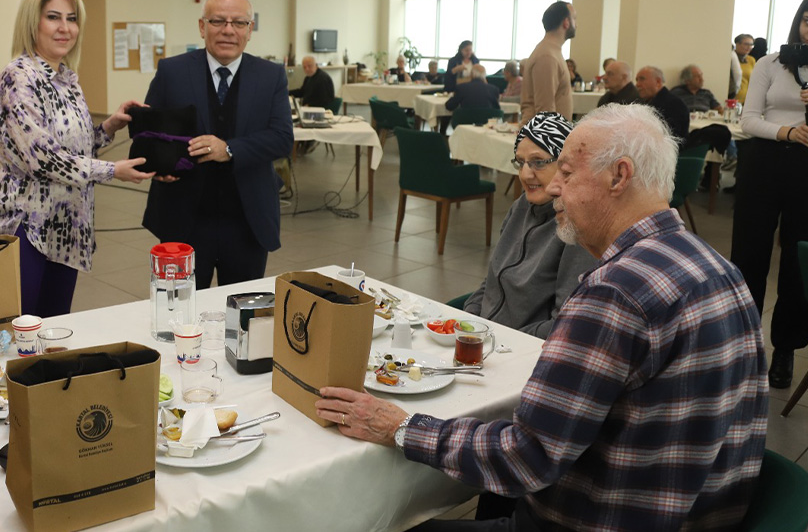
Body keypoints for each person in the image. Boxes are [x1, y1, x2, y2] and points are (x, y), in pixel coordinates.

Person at [316, 104, 768, 531]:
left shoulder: (615, 292)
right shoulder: (718, 268)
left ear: (619, 176)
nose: (552, 186)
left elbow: (525, 459)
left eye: (566, 173)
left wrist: (399, 426)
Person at [0, 0, 153, 317]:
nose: (65, 28)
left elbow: (73, 147)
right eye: (53, 17)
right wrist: (113, 171)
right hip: (25, 228)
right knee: (21, 331)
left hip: (66, 226)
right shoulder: (18, 78)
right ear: (33, 22)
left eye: (71, 19)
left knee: (54, 329)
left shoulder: (65, 79)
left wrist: (108, 128)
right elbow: (43, 158)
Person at [142, 0, 294, 289]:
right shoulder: (172, 71)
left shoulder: (270, 76)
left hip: (247, 220)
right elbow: (149, 134)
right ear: (202, 27)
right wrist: (158, 165)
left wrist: (229, 149)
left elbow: (281, 139)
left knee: (241, 315)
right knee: (177, 313)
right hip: (183, 218)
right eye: (218, 21)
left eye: (238, 22)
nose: (228, 30)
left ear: (250, 30)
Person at [461, 112, 596, 338]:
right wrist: (470, 320)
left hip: (523, 350)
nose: (525, 174)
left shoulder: (576, 226)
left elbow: (564, 322)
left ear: (565, 164)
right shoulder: (521, 207)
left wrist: (500, 338)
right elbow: (492, 280)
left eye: (538, 162)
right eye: (520, 162)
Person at [731, 0, 808, 389]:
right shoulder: (770, 63)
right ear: (798, 23)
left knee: (797, 258)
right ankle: (743, 345)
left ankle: (785, 349)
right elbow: (748, 120)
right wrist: (787, 130)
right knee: (749, 254)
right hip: (764, 161)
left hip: (806, 169)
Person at [521, 1, 576, 121]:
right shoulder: (547, 56)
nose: (576, 24)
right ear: (566, 22)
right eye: (574, 18)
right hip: (543, 136)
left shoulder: (552, 51)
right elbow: (545, 110)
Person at [635, 65, 689, 142]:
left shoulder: (673, 104)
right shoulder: (648, 101)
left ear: (658, 82)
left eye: (642, 79)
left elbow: (672, 139)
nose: (637, 84)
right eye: (637, 80)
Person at [734, 33, 757, 103]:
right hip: (733, 98)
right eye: (746, 44)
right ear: (737, 44)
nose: (749, 47)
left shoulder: (751, 60)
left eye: (751, 45)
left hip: (748, 99)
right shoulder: (732, 59)